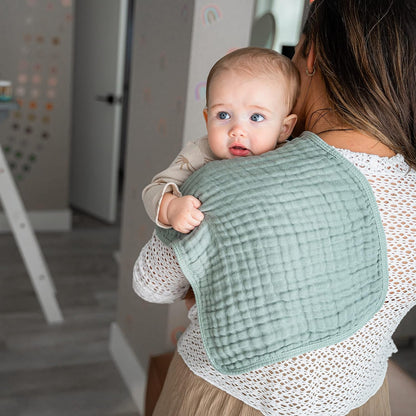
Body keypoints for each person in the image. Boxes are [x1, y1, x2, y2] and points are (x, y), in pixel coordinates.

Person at [133, 0, 416, 415]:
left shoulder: (220, 183)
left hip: (223, 398)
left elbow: (150, 283)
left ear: (312, 52)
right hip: (361, 403)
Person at [142, 47, 299, 233]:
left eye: (256, 117)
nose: (237, 130)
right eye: (223, 115)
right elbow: (153, 190)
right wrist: (171, 208)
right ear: (208, 120)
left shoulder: (289, 156)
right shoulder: (200, 153)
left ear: (284, 129)